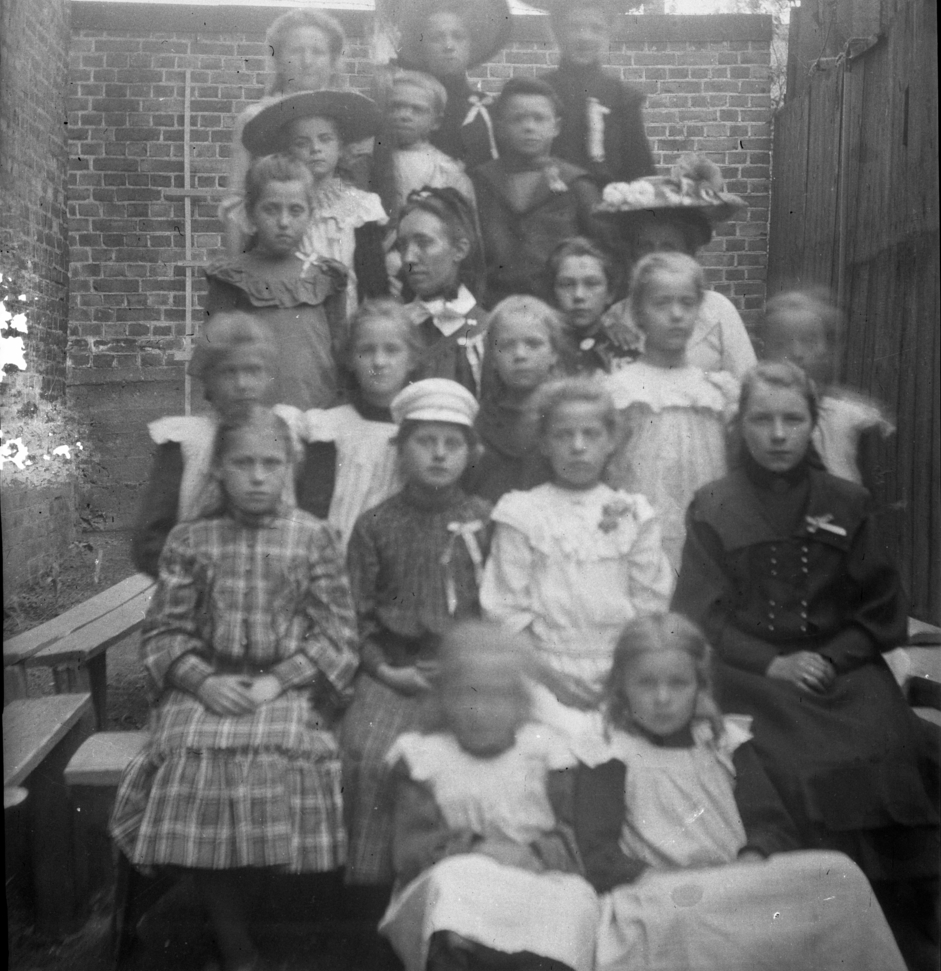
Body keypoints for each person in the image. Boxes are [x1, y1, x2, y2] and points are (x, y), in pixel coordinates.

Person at [672, 363, 939, 960]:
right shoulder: (713, 505)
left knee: (887, 748)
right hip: (751, 675)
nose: (777, 434)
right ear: (740, 427)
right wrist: (771, 665)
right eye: (762, 420)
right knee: (791, 765)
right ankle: (803, 931)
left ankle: (896, 926)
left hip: (840, 668)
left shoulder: (847, 501)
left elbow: (883, 612)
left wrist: (832, 655)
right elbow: (699, 616)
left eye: (792, 420)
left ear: (813, 425)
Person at [110, 406, 358, 971]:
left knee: (298, 754)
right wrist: (203, 680)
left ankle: (274, 930)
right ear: (219, 469)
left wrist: (278, 680)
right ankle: (233, 943)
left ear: (290, 468)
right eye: (242, 463)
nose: (257, 476)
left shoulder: (314, 537)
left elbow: (338, 634)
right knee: (195, 754)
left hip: (286, 685)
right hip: (206, 683)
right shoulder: (191, 541)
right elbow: (164, 632)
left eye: (271, 463)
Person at [573, 613, 908, 971]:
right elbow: (598, 852)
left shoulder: (725, 744)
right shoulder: (610, 755)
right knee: (686, 919)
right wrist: (656, 877)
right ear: (621, 686)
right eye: (645, 683)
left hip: (736, 881)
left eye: (678, 683)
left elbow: (772, 823)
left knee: (840, 875)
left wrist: (751, 858)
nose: (662, 698)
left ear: (700, 686)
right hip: (660, 892)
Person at [340, 380, 491, 941]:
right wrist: (383, 669)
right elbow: (355, 615)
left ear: (470, 453)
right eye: (425, 441)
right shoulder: (375, 525)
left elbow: (494, 609)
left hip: (466, 671)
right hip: (395, 669)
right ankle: (378, 902)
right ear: (400, 449)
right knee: (369, 750)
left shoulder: (484, 518)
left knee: (477, 752)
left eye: (452, 443)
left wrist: (469, 666)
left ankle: (458, 901)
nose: (438, 454)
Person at [379, 620, 600, 971]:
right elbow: (413, 848)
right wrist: (477, 851)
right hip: (459, 873)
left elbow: (580, 835)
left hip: (537, 874)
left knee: (573, 905)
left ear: (520, 700)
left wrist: (536, 854)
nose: (480, 711)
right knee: (452, 891)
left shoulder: (546, 754)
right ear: (444, 696)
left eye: (497, 695)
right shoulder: (424, 759)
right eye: (466, 693)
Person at [481, 378, 671, 713]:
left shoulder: (634, 515)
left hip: (623, 672)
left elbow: (650, 606)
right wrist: (553, 682)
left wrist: (621, 677)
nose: (578, 446)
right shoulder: (522, 513)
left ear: (611, 440)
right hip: (540, 673)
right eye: (563, 435)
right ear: (543, 443)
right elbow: (505, 611)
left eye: (591, 434)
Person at [131, 313, 307, 577]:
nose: (242, 384)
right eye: (228, 372)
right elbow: (149, 540)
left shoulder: (287, 434)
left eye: (253, 370)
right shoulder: (187, 443)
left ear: (270, 375)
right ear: (208, 379)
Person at [605, 252, 738, 571]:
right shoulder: (618, 391)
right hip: (637, 538)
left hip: (703, 539)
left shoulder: (717, 392)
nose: (676, 314)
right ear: (638, 313)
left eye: (687, 303)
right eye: (662, 304)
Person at [203, 153, 346, 411]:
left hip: (316, 416)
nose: (283, 222)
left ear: (311, 215)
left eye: (295, 210)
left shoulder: (326, 277)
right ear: (251, 213)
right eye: (271, 209)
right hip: (253, 419)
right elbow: (209, 361)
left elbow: (341, 355)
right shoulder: (231, 278)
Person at [597, 154, 757, 376]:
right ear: (633, 253)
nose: (656, 258)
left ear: (689, 253)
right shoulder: (617, 316)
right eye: (645, 246)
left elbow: (746, 381)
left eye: (669, 247)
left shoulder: (718, 310)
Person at [240, 88, 388, 308]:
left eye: (325, 139)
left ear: (340, 148)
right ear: (288, 152)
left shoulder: (360, 207)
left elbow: (373, 279)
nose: (315, 148)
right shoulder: (282, 207)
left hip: (348, 312)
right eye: (302, 143)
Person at [220, 7, 346, 257]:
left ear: (333, 61)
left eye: (318, 52)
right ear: (277, 59)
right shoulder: (255, 118)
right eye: (296, 51)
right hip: (272, 247)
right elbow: (236, 199)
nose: (307, 61)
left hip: (336, 241)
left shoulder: (346, 114)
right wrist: (234, 269)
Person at [515, 0, 655, 186]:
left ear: (610, 34)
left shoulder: (624, 98)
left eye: (596, 28)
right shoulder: (536, 92)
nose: (585, 37)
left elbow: (641, 174)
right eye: (574, 27)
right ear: (557, 31)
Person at [300, 299, 420, 554]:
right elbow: (314, 508)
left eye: (391, 350)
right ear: (351, 359)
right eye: (367, 350)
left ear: (411, 359)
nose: (379, 361)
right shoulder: (329, 428)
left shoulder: (419, 430)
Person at [472, 78, 603, 308]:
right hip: (492, 308)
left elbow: (605, 254)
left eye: (539, 118)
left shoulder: (576, 184)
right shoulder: (479, 182)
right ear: (500, 127)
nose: (529, 127)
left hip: (559, 311)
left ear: (556, 127)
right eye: (518, 119)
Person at [761, 288, 895, 492]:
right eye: (781, 343)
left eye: (809, 341)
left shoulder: (853, 416)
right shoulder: (755, 414)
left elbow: (876, 487)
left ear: (828, 349)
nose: (796, 353)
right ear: (764, 352)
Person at [389, 0, 511, 171]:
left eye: (458, 36)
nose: (448, 45)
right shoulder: (402, 107)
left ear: (471, 44)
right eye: (436, 38)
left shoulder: (486, 111)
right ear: (421, 46)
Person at [463, 295, 567, 502]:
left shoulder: (568, 415)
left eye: (533, 344)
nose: (520, 354)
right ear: (492, 357)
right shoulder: (480, 420)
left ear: (554, 353)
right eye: (507, 345)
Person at [396, 187, 488, 394]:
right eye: (402, 245)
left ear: (459, 249)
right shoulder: (395, 327)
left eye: (424, 242)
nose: (408, 258)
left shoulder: (484, 333)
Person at [375, 69, 477, 223]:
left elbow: (464, 228)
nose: (404, 115)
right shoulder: (371, 159)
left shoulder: (447, 171)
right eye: (396, 107)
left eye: (417, 110)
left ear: (436, 122)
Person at [548, 237, 637, 375]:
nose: (579, 295)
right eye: (567, 284)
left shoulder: (625, 350)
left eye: (591, 284)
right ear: (553, 291)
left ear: (610, 293)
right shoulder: (545, 351)